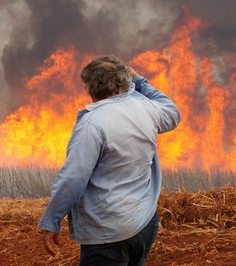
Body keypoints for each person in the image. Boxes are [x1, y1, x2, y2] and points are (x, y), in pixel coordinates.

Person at [38, 55, 180, 266]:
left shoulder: (93, 124)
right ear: (124, 81)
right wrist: (139, 81)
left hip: (109, 232)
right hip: (144, 223)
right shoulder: (146, 108)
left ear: (91, 88)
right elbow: (172, 112)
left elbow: (73, 179)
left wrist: (51, 220)